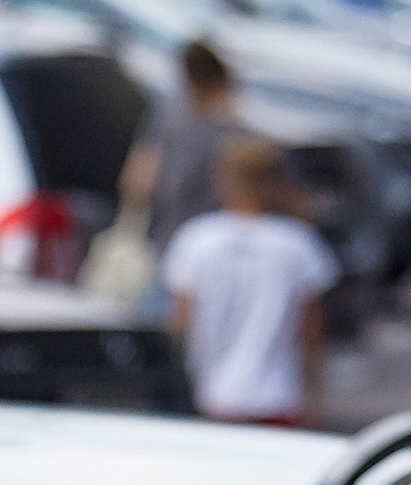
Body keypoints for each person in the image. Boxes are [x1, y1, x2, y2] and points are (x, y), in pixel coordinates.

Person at [161, 133, 338, 427]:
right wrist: (314, 395)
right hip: (277, 396)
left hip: (210, 396)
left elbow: (179, 323)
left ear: (220, 180)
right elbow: (311, 332)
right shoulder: (299, 243)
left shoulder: (195, 239)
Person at [119, 32, 241, 257]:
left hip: (167, 238)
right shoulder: (238, 132)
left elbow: (138, 181)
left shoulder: (168, 118)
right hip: (216, 247)